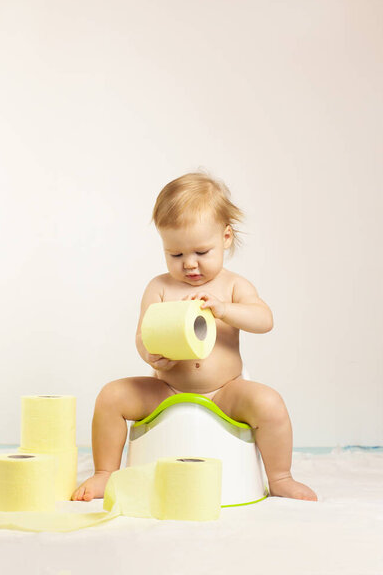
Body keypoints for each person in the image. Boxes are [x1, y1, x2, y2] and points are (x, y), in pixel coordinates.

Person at [72, 172, 317, 502]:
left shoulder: (233, 285)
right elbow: (143, 334)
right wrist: (151, 355)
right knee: (111, 397)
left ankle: (280, 477)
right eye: (175, 254)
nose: (189, 264)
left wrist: (225, 309)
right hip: (166, 389)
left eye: (201, 252)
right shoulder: (159, 287)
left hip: (225, 391)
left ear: (226, 237)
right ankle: (105, 472)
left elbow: (264, 319)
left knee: (269, 403)